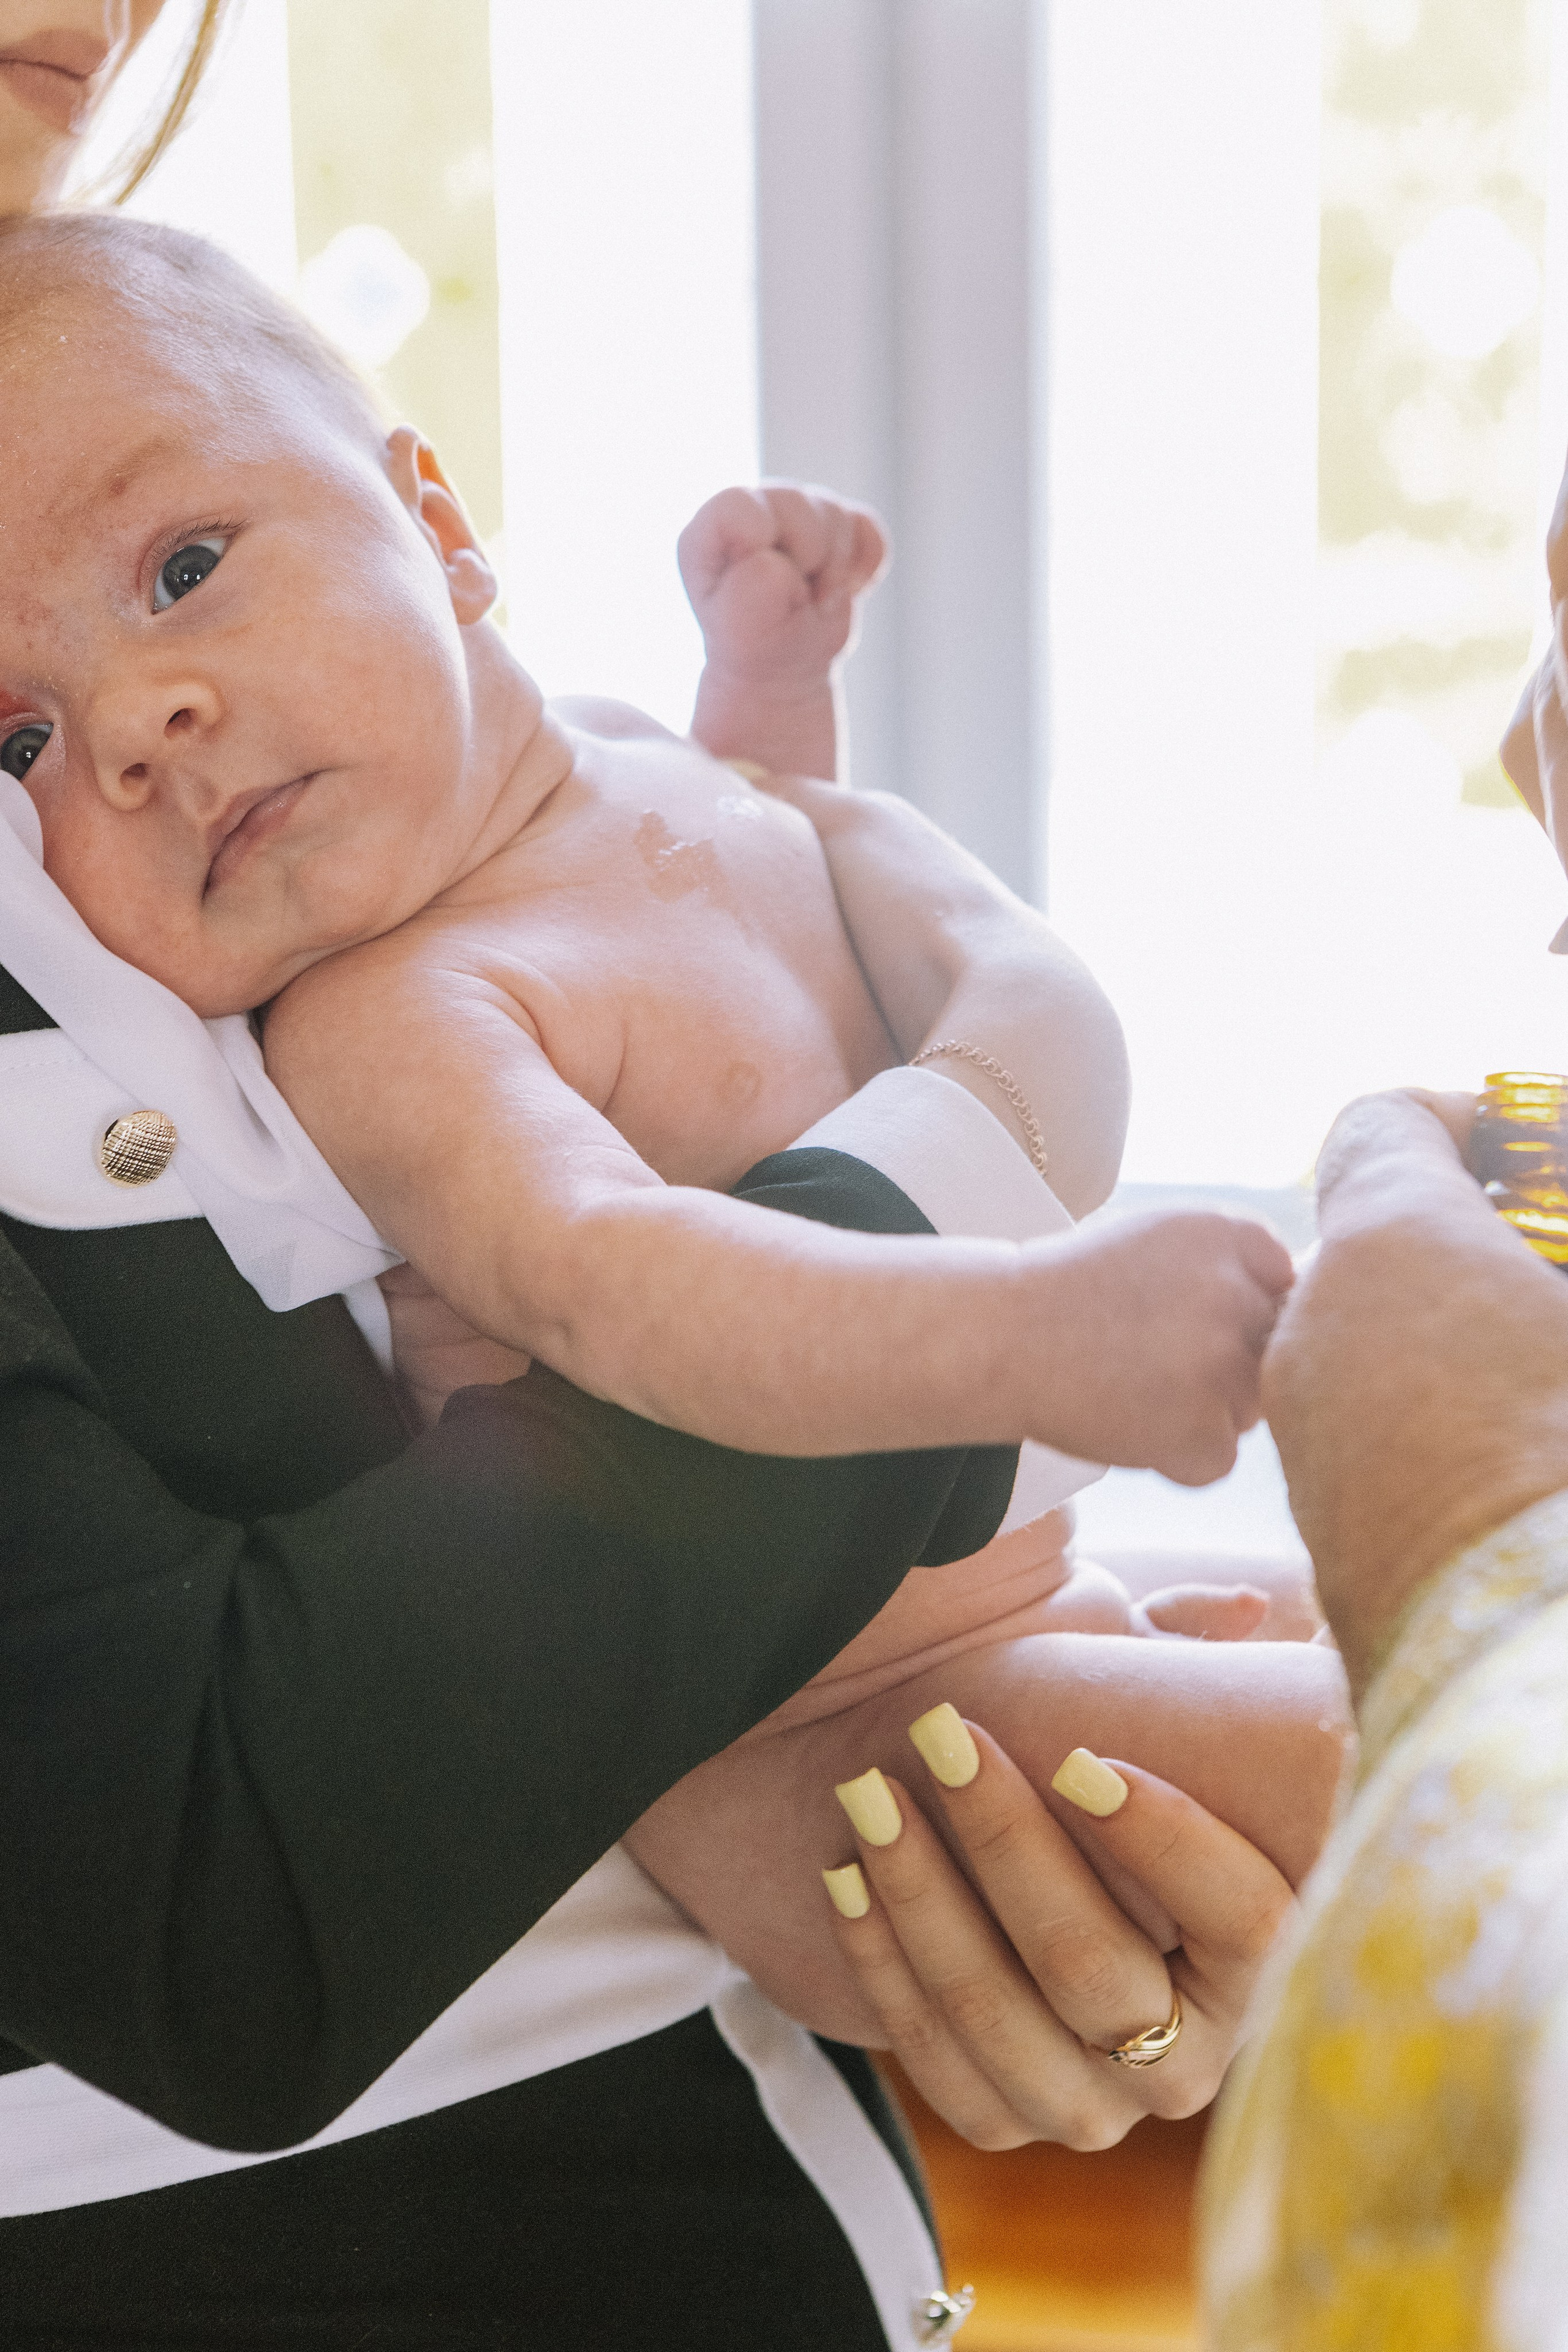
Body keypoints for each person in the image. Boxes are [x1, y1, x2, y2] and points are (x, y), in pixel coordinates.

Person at [0, 26, 1307, 2346]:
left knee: (1352, 1749)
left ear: (445, 521)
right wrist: (1012, 1293)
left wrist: (760, 693)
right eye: (17, 740)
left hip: (912, 1822)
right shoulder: (397, 1024)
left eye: (187, 567)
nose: (126, 723)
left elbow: (733, 914)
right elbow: (619, 1278)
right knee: (1433, 1774)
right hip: (832, 1755)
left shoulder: (588, 770)